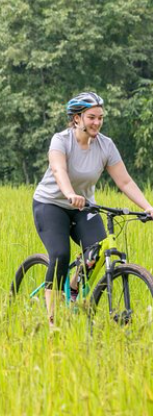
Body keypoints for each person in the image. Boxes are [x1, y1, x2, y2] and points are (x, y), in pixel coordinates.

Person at [32, 92, 153, 328]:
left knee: (98, 250)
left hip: (83, 207)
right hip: (51, 204)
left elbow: (125, 182)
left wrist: (148, 206)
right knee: (60, 255)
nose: (97, 122)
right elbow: (59, 171)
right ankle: (52, 323)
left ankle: (75, 285)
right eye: (91, 117)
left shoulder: (105, 145)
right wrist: (68, 194)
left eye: (100, 117)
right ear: (77, 118)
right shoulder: (61, 140)